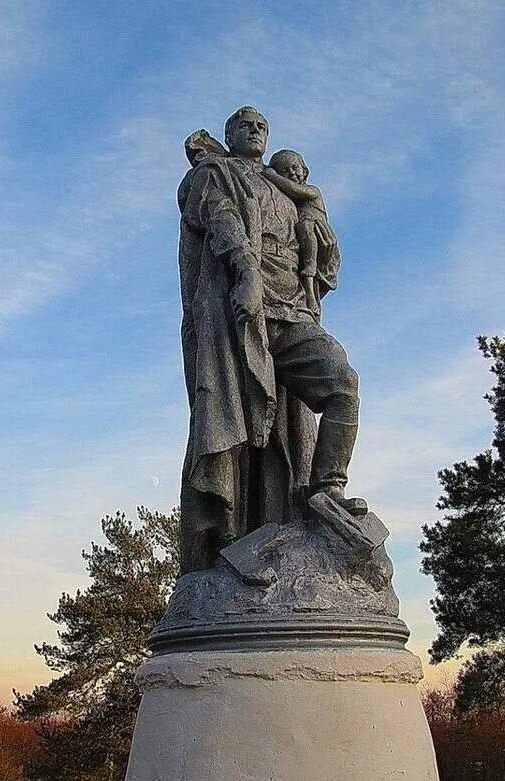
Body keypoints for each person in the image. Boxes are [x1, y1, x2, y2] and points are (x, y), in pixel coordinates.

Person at [177, 106, 364, 574]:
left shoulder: (283, 188)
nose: (256, 130)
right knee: (231, 426)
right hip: (241, 316)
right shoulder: (214, 174)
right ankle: (228, 543)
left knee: (342, 383)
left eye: (263, 125)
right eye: (246, 125)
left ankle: (326, 491)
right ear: (230, 134)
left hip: (292, 312)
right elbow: (221, 220)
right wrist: (245, 272)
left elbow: (317, 250)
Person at [262, 149, 341, 319]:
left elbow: (295, 190)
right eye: (285, 170)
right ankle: (309, 295)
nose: (291, 173)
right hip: (299, 242)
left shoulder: (312, 190)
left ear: (304, 170)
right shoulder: (282, 200)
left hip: (314, 231)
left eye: (295, 168)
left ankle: (310, 279)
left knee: (305, 228)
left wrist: (273, 176)